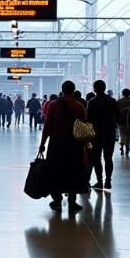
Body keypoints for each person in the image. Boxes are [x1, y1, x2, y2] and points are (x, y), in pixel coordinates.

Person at [39, 79, 89, 213]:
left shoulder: (54, 105)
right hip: (74, 144)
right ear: (73, 90)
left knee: (55, 171)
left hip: (57, 143)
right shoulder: (79, 106)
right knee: (74, 170)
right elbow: (83, 126)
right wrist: (86, 144)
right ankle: (72, 203)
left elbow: (48, 125)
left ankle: (57, 201)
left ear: (62, 90)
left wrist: (42, 144)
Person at [87, 79, 121, 190]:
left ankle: (99, 181)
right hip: (109, 133)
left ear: (95, 89)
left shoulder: (91, 102)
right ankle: (108, 181)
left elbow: (88, 119)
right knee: (108, 158)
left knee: (97, 158)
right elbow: (119, 117)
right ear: (105, 88)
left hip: (96, 134)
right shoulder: (112, 101)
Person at [117, 88, 130, 156]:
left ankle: (121, 146)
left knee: (122, 134)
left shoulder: (118, 101)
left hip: (120, 121)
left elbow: (116, 112)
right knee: (128, 135)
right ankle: (127, 148)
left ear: (122, 94)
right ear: (129, 94)